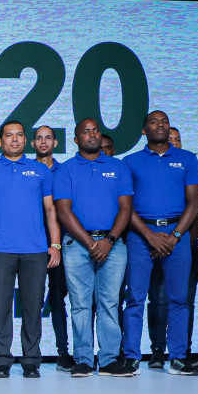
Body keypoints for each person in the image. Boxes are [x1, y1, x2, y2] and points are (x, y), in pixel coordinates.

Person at [0, 120, 61, 378]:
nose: (15, 139)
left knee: (33, 307)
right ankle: (1, 361)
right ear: (0, 142)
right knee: (0, 307)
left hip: (35, 251)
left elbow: (50, 210)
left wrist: (55, 245)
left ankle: (31, 360)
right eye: (9, 135)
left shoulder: (40, 171)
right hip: (0, 250)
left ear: (25, 140)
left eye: (19, 135)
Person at [121, 110, 198, 375]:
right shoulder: (130, 162)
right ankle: (131, 357)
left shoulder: (187, 159)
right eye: (154, 122)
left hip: (176, 234)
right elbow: (125, 206)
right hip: (140, 235)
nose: (160, 125)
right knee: (135, 298)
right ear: (144, 130)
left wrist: (175, 236)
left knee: (179, 299)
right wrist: (149, 235)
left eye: (164, 121)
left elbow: (194, 203)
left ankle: (178, 356)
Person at [53, 118, 133, 377]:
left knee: (110, 303)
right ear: (76, 139)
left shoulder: (118, 167)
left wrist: (109, 241)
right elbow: (63, 211)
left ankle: (109, 360)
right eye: (86, 132)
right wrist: (91, 244)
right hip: (77, 245)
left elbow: (126, 208)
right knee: (80, 304)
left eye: (96, 130)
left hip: (113, 244)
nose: (92, 135)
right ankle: (84, 359)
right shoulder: (66, 169)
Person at [31, 124, 73, 371]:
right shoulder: (26, 170)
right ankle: (31, 353)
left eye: (48, 138)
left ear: (56, 143)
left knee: (57, 298)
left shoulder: (65, 171)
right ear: (33, 143)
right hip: (32, 244)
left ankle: (63, 353)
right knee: (32, 300)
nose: (44, 142)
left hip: (60, 243)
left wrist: (56, 243)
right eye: (39, 138)